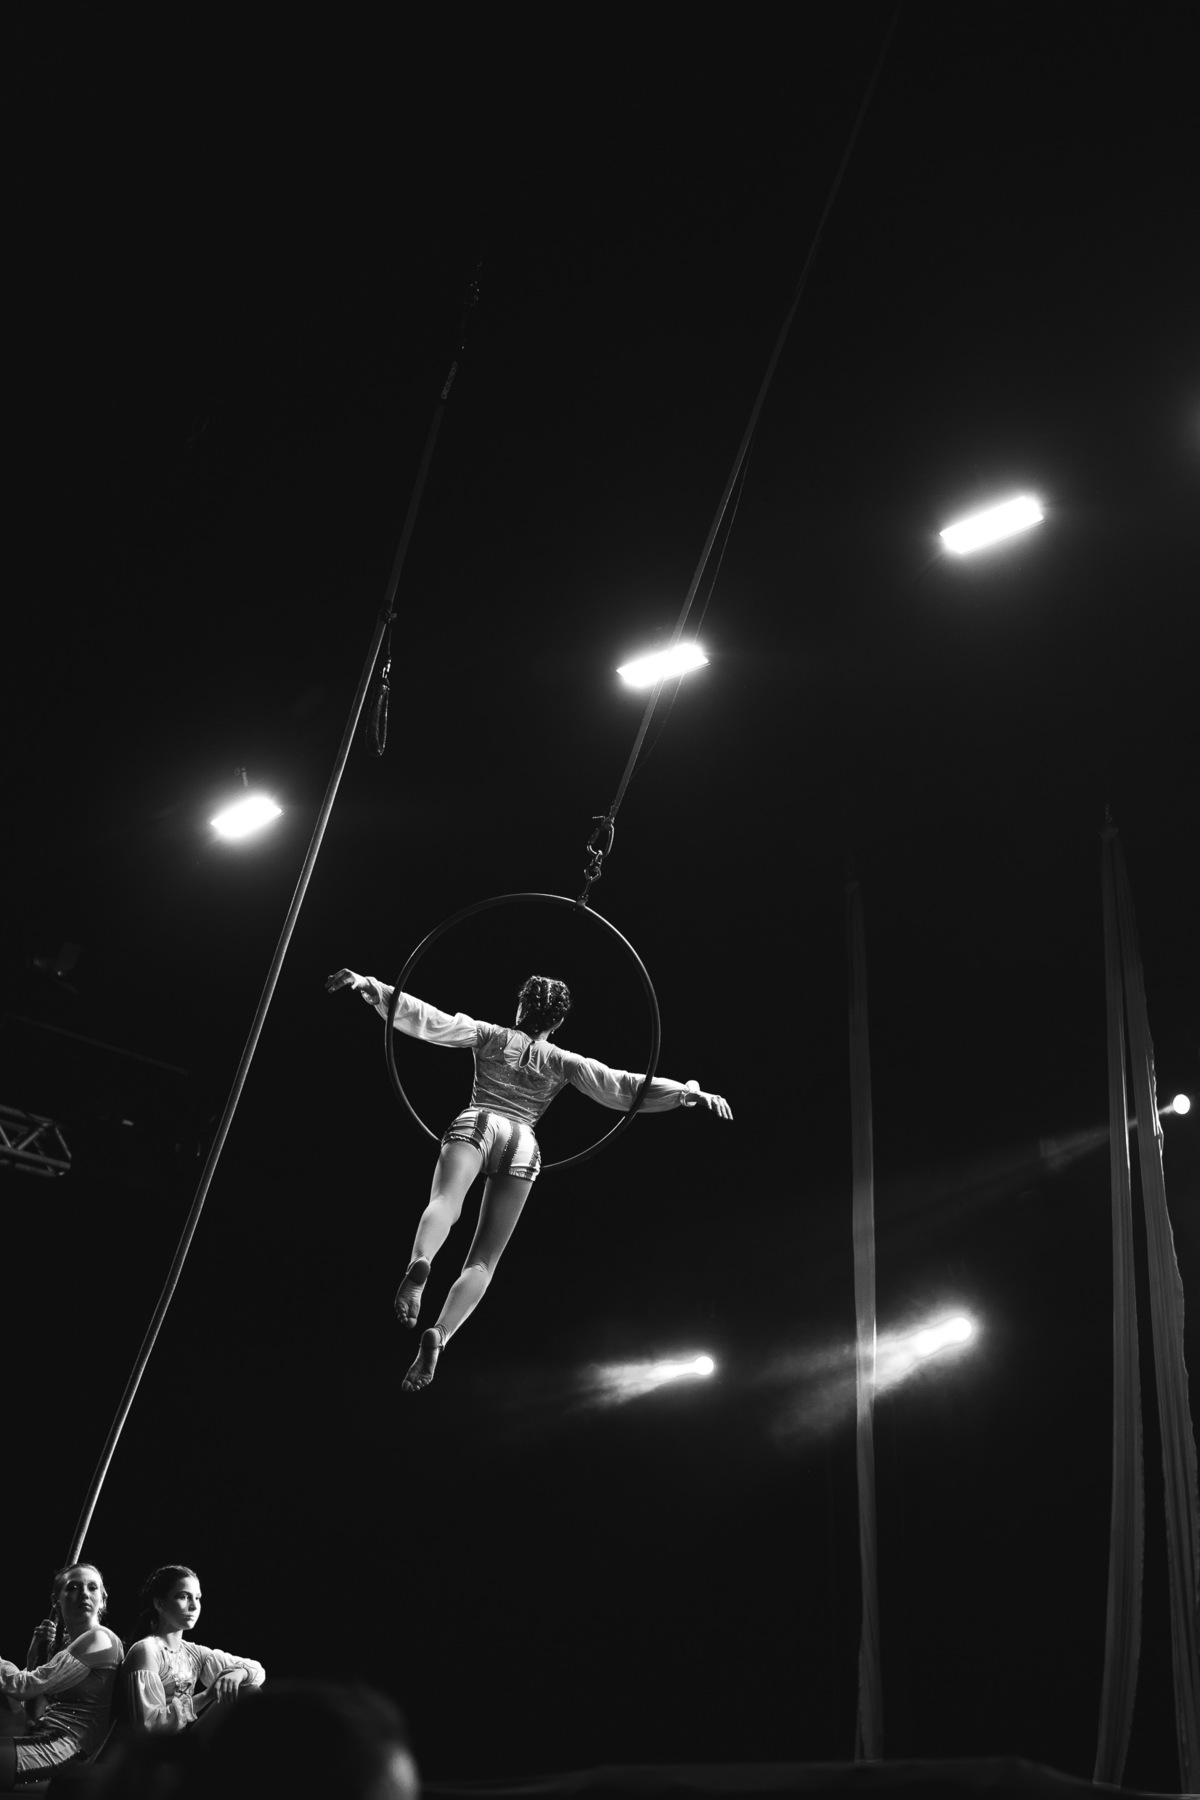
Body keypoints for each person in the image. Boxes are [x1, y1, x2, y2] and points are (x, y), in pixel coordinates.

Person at [325, 968, 732, 1391]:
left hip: (479, 1122)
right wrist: (687, 1093)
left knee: (445, 1203)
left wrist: (371, 986)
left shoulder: (488, 1035)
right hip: (522, 1142)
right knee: (483, 1262)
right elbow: (623, 1085)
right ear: (558, 1021)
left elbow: (429, 1019)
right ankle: (440, 1336)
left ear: (520, 1008)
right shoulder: (564, 1061)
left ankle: (420, 1263)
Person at [0, 1562, 124, 1788]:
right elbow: (33, 1711)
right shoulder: (65, 1645)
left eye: (92, 1587)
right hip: (41, 1733)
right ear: (56, 1601)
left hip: (66, 1751)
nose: (84, 1593)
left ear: (103, 1599)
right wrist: (33, 1656)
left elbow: (22, 1686)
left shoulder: (99, 1638)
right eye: (73, 1587)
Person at [122, 1566, 264, 1735]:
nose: (194, 1606)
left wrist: (240, 1673)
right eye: (184, 1597)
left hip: (182, 1743)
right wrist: (207, 1695)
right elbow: (149, 1728)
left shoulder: (193, 1652)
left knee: (248, 1689)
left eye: (197, 1598)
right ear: (159, 1604)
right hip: (149, 1747)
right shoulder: (146, 1650)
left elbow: (258, 1672)